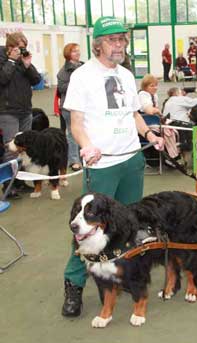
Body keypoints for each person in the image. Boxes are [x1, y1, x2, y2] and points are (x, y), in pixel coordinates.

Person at [61, 16, 164, 318]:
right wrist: (86, 145)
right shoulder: (82, 76)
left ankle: (124, 275)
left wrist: (150, 134)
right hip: (102, 165)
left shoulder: (126, 75)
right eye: (112, 40)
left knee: (129, 227)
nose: (120, 45)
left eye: (122, 39)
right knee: (86, 231)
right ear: (98, 45)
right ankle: (74, 284)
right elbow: (75, 124)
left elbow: (133, 114)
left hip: (131, 160)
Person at [0, 32, 41, 198]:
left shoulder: (22, 61)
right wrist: (11, 60)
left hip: (25, 111)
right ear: (10, 47)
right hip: (8, 112)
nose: (22, 50)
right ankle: (8, 186)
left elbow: (36, 80)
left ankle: (21, 182)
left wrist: (27, 65)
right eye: (19, 47)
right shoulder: (3, 60)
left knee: (24, 149)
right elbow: (2, 79)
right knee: (11, 150)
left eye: (24, 47)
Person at [138, 74, 180, 161]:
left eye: (156, 85)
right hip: (145, 124)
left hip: (154, 122)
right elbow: (149, 111)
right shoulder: (143, 95)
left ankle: (172, 154)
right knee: (168, 132)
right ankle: (171, 156)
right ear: (145, 87)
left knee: (173, 129)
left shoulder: (154, 96)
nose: (155, 88)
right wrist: (158, 112)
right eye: (152, 86)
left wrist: (157, 112)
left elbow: (155, 110)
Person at [57, 43, 84, 171]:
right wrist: (76, 82)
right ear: (68, 54)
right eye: (74, 51)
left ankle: (83, 156)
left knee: (85, 132)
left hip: (84, 106)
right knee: (72, 134)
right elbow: (61, 88)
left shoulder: (84, 67)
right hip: (69, 108)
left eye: (78, 51)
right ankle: (74, 160)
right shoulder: (63, 71)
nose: (77, 53)